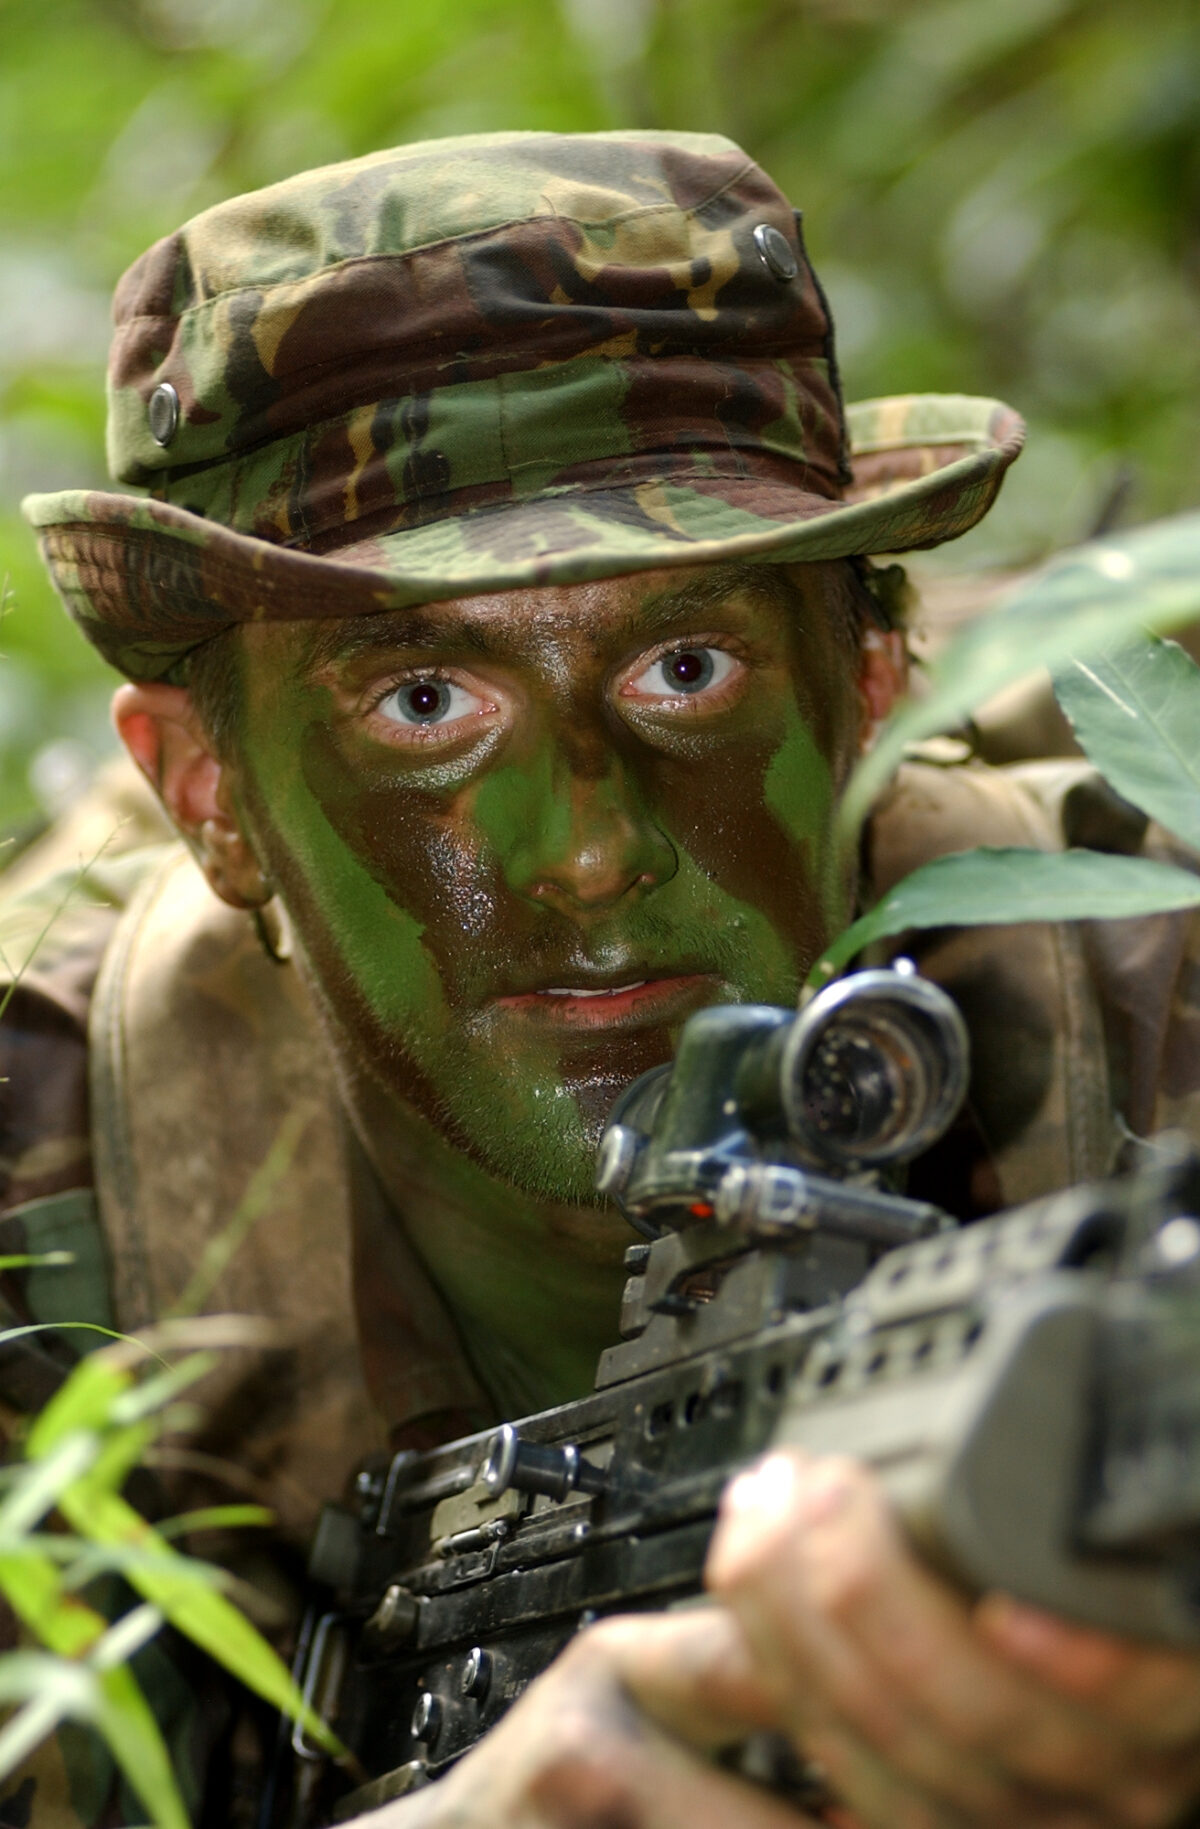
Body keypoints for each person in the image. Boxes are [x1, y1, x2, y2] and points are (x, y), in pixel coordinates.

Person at [5, 129, 1200, 1829]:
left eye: (686, 666)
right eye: (424, 702)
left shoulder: (1151, 985)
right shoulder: (40, 1187)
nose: (585, 848)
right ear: (209, 794)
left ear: (871, 686)